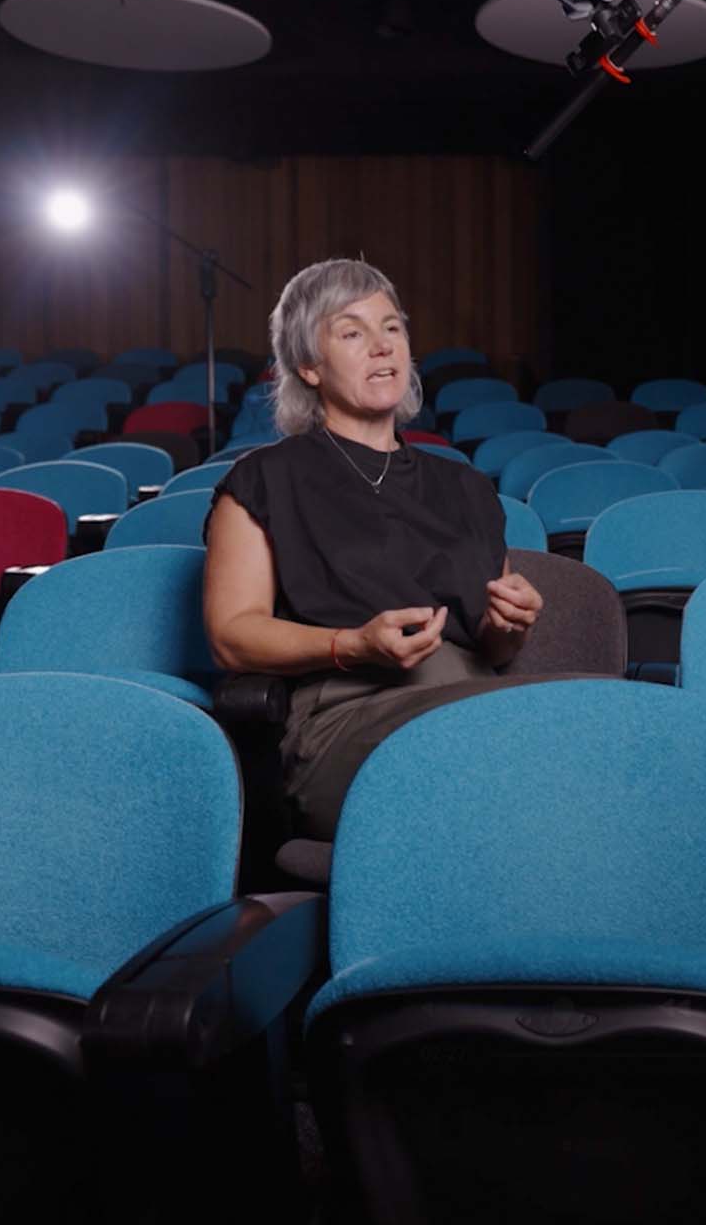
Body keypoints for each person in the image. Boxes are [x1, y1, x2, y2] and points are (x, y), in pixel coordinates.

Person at [204, 258, 548, 869]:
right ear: (309, 366)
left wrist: (508, 625)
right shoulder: (263, 479)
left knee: (608, 710)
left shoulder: (467, 488)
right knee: (549, 740)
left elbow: (493, 650)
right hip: (348, 717)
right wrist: (354, 645)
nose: (382, 345)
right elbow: (232, 637)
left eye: (392, 327)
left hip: (478, 701)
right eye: (352, 332)